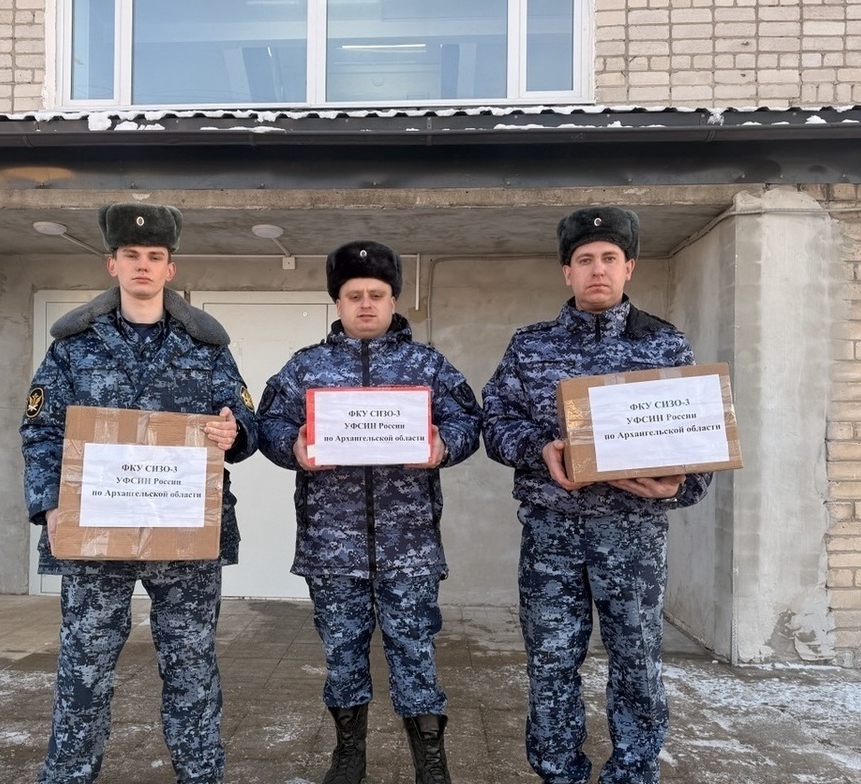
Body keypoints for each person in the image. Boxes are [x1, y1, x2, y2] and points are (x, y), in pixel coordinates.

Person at [19, 202, 259, 784]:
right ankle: (68, 776)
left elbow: (245, 421)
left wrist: (233, 433)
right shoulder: (74, 346)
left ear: (170, 268)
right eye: (132, 255)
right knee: (84, 668)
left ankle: (201, 776)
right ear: (113, 264)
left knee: (191, 669)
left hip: (183, 534)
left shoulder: (207, 346)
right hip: (95, 534)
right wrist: (50, 506)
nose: (143, 265)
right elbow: (41, 430)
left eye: (155, 256)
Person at [481, 206, 712, 784]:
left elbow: (699, 440)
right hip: (551, 532)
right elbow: (495, 422)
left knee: (637, 662)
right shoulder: (530, 346)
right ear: (568, 271)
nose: (598, 270)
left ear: (629, 267)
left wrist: (679, 484)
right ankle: (559, 772)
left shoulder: (665, 344)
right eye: (584, 260)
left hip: (633, 533)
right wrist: (540, 449)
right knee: (551, 661)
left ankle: (633, 772)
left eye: (610, 258)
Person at [256, 241, 482, 784]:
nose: (365, 304)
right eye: (353, 295)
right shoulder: (306, 366)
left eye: (376, 295)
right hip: (332, 547)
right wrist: (293, 447)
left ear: (393, 299)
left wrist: (443, 445)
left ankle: (431, 762)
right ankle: (348, 754)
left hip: (410, 546)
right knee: (342, 655)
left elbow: (468, 420)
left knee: (415, 653)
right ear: (337, 301)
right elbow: (268, 424)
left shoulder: (427, 364)